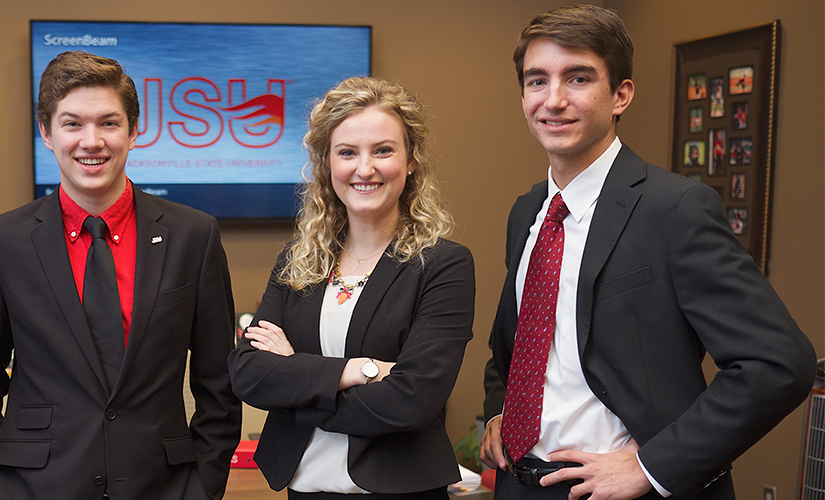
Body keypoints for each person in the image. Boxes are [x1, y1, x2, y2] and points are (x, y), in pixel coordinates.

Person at [480, 5, 815, 500]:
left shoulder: (675, 209)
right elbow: (514, 347)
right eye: (536, 81)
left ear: (620, 95)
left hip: (626, 492)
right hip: (521, 486)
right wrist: (494, 411)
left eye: (577, 79)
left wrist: (652, 466)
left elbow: (780, 363)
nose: (553, 100)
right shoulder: (528, 212)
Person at [0, 51, 241, 500]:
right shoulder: (2, 241)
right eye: (72, 124)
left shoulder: (193, 235)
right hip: (29, 487)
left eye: (109, 123)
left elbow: (218, 382)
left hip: (163, 485)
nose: (92, 141)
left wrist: (202, 485)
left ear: (134, 131)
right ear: (46, 133)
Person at [228, 77, 476, 499]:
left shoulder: (442, 264)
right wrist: (361, 370)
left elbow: (412, 400)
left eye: (383, 150)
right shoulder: (299, 259)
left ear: (411, 159)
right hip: (304, 489)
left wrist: (296, 374)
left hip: (400, 490)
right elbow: (249, 373)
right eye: (347, 153)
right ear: (327, 164)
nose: (365, 169)